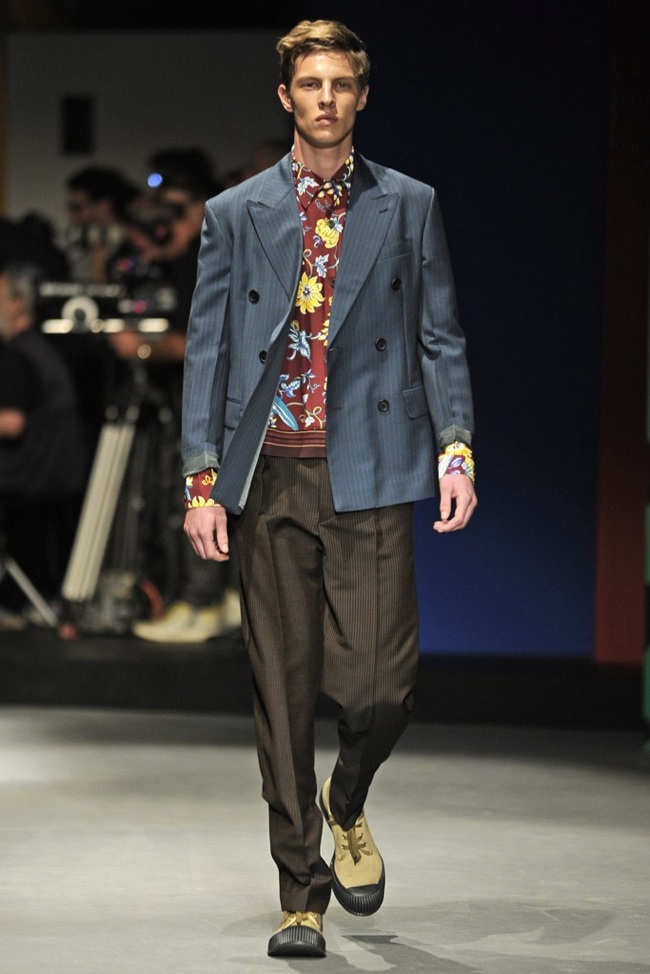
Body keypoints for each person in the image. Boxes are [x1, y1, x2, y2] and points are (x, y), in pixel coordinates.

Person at [182, 19, 477, 957]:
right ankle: (300, 896)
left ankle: (345, 800)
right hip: (269, 472)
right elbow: (208, 351)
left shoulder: (409, 204)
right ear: (286, 97)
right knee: (282, 693)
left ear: (361, 96)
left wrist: (457, 449)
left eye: (341, 83)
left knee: (383, 691)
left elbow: (439, 335)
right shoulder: (236, 213)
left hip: (373, 467)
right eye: (310, 83)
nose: (325, 98)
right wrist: (201, 481)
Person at [108, 159, 239, 643]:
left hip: (212, 400)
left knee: (203, 494)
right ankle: (214, 599)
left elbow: (207, 343)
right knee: (198, 496)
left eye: (175, 212)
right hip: (195, 397)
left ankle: (204, 602)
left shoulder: (207, 258)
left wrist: (143, 347)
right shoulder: (178, 262)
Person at [0, 256, 88, 624]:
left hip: (28, 475)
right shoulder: (43, 350)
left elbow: (11, 423)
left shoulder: (17, 354)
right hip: (55, 474)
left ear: (18, 302)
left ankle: (12, 600)